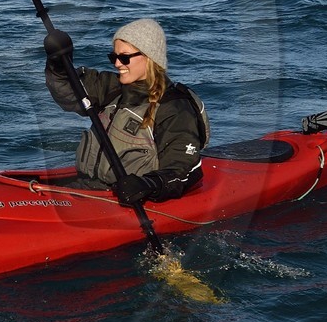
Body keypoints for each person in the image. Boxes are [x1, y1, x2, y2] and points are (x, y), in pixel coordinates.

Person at [44, 18, 209, 207]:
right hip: (90, 189)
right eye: (113, 57)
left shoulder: (175, 107)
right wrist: (58, 62)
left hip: (132, 199)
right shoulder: (112, 87)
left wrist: (148, 184)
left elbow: (182, 169)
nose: (116, 64)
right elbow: (67, 91)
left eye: (124, 58)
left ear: (149, 57)